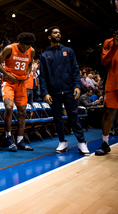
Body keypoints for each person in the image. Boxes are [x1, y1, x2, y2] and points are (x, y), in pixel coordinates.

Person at [39, 26, 90, 155]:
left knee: (74, 117)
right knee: (57, 118)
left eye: (59, 32)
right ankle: (62, 141)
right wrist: (45, 93)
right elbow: (43, 76)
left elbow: (75, 70)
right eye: (55, 33)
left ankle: (81, 143)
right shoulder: (45, 55)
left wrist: (77, 86)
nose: (58, 34)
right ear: (49, 36)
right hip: (54, 92)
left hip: (69, 90)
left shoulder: (69, 51)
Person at [0, 32, 35, 152]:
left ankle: (20, 140)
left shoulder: (31, 51)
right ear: (20, 43)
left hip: (21, 83)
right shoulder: (9, 48)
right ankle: (8, 136)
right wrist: (7, 74)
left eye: (29, 46)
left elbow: (30, 64)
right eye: (25, 46)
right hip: (9, 81)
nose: (27, 49)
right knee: (9, 107)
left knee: (22, 111)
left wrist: (27, 74)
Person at [95, 30, 118, 155]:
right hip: (113, 81)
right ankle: (105, 143)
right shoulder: (108, 42)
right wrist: (114, 45)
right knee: (109, 112)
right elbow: (104, 61)